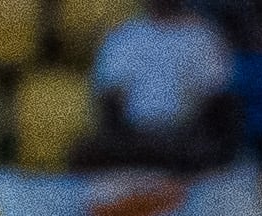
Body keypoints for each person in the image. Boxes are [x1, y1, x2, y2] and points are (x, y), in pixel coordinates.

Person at [84, 0, 238, 167]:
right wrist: (131, 140)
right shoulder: (123, 37)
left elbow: (216, 99)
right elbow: (109, 98)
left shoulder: (203, 37)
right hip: (131, 145)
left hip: (186, 146)